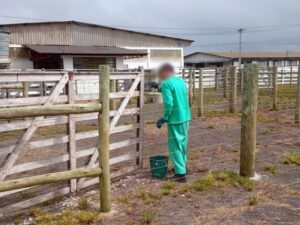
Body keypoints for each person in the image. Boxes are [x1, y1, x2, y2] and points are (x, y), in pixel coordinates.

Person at [155, 64, 191, 183]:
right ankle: (182, 167)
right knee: (182, 143)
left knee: (174, 146)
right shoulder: (180, 81)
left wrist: (164, 118)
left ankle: (180, 174)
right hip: (185, 116)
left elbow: (169, 104)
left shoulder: (166, 84)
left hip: (175, 119)